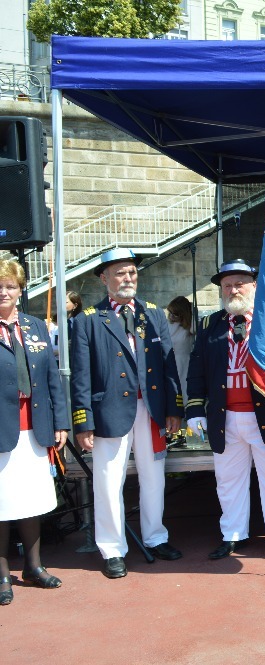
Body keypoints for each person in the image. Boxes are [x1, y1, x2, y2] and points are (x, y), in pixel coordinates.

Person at [70, 248, 185, 579]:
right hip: (109, 412)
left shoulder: (153, 314)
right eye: (120, 273)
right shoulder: (88, 319)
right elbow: (81, 376)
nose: (128, 278)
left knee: (154, 478)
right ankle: (112, 548)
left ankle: (155, 537)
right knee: (108, 481)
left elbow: (168, 365)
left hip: (150, 411)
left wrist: (174, 407)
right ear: (104, 278)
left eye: (132, 272)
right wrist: (83, 421)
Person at [186, 260, 265, 559]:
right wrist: (195, 409)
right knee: (228, 480)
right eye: (227, 285)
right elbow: (197, 370)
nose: (233, 290)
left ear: (254, 286)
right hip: (225, 417)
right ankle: (233, 534)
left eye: (239, 284)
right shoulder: (211, 325)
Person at [0, 257, 70, 606]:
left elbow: (51, 378)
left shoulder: (35, 326)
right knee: (1, 504)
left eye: (10, 286)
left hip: (35, 426)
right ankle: (1, 576)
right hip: (1, 429)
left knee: (30, 501)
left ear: (20, 289)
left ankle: (33, 566)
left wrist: (61, 421)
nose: (3, 292)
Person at [166, 297, 195, 407]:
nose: (172, 316)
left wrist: (192, 309)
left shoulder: (189, 327)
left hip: (184, 363)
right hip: (169, 362)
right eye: (170, 313)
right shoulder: (167, 325)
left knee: (184, 392)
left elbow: (196, 327)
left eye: (176, 314)